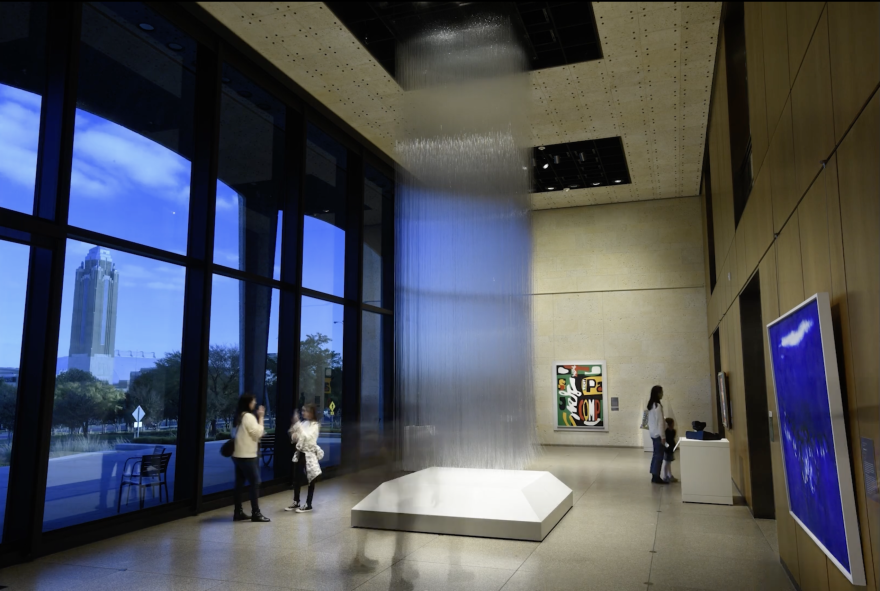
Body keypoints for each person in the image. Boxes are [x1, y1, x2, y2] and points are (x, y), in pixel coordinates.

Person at [232, 393, 270, 522]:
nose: (254, 404)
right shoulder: (248, 416)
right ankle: (256, 513)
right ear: (248, 403)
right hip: (247, 455)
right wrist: (261, 417)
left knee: (239, 484)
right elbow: (258, 433)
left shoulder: (239, 416)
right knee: (255, 482)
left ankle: (238, 512)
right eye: (253, 401)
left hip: (237, 455)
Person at [286, 403, 323, 513]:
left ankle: (308, 504)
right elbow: (297, 437)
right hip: (301, 453)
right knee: (297, 478)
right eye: (302, 411)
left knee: (310, 479)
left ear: (311, 413)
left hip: (309, 455)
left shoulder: (315, 425)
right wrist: (294, 433)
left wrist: (297, 425)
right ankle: (296, 501)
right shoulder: (304, 423)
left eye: (305, 411)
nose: (303, 413)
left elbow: (307, 437)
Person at [647, 385, 667, 485]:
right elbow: (660, 422)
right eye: (661, 392)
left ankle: (654, 474)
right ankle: (656, 476)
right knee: (659, 456)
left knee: (656, 455)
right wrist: (663, 436)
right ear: (658, 393)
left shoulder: (651, 405)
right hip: (658, 434)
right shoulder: (657, 406)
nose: (662, 394)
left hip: (653, 433)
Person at [662, 417, 678, 483]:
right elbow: (664, 441)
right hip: (667, 449)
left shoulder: (673, 431)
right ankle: (665, 476)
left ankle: (669, 475)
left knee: (669, 463)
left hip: (671, 449)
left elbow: (672, 439)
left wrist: (673, 447)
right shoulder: (665, 432)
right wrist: (667, 447)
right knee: (666, 463)